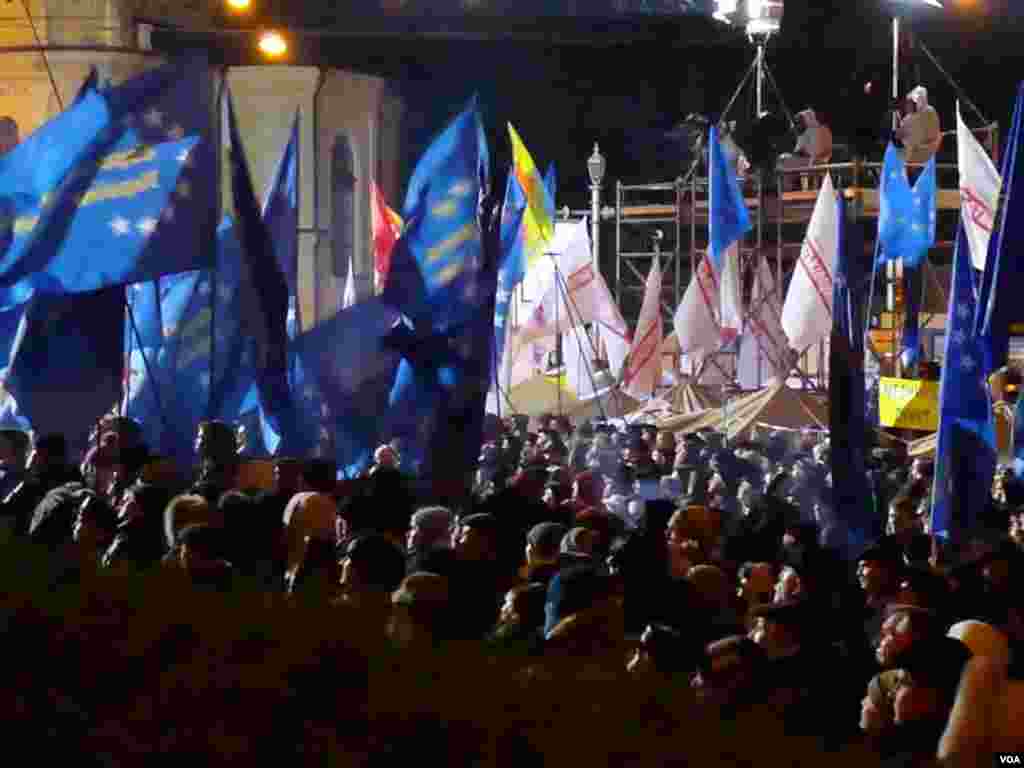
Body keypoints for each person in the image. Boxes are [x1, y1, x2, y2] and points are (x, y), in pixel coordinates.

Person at [778, 109, 833, 191]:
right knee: (784, 159)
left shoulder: (814, 130)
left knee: (783, 161)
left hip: (814, 161)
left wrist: (801, 153)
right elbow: (798, 151)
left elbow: (814, 152)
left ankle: (788, 188)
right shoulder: (810, 131)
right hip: (813, 161)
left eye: (799, 121)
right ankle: (790, 187)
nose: (797, 124)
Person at [895, 86, 941, 165]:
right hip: (913, 156)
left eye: (910, 102)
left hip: (923, 155)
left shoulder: (929, 112)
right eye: (908, 102)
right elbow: (900, 136)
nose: (908, 105)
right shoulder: (908, 118)